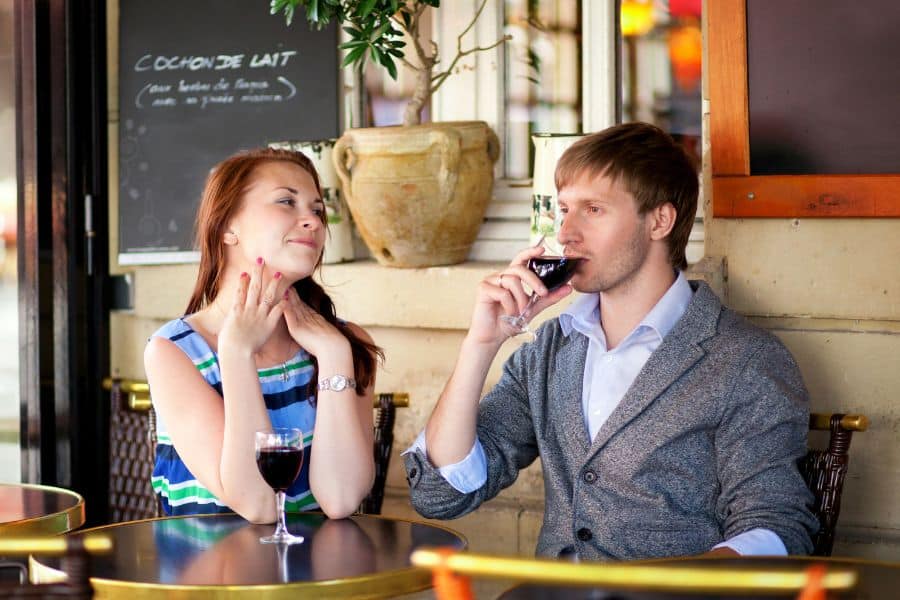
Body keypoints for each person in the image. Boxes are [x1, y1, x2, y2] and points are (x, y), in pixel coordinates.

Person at [404, 123, 818, 560]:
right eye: (563, 209)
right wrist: (481, 344)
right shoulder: (551, 350)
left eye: (593, 210)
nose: (565, 233)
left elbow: (776, 528)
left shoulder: (744, 360)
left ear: (659, 220)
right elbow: (440, 494)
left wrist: (665, 591)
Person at [144, 147, 382, 522]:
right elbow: (258, 504)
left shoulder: (345, 343)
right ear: (227, 227)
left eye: (318, 210)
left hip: (317, 575)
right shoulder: (174, 353)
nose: (314, 222)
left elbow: (340, 499)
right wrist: (236, 354)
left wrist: (335, 356)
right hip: (211, 576)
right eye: (287, 201)